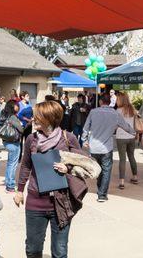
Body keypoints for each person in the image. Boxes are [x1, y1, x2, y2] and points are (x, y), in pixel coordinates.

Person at [15, 100, 88, 258]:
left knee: (60, 251)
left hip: (61, 202)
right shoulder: (31, 140)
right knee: (33, 249)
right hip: (35, 202)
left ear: (50, 118)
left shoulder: (68, 139)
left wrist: (67, 168)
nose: (33, 120)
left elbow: (84, 164)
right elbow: (25, 165)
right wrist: (19, 190)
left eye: (37, 117)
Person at [82, 92, 135, 202]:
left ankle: (100, 189)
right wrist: (134, 132)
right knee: (106, 170)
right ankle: (102, 195)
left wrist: (84, 140)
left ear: (100, 101)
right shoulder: (115, 114)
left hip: (94, 147)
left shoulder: (93, 112)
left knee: (98, 169)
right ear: (109, 102)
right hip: (106, 147)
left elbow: (85, 128)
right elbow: (125, 126)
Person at [115, 92, 139, 189]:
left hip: (121, 137)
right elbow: (134, 123)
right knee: (131, 157)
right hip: (131, 136)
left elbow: (115, 124)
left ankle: (122, 182)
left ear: (120, 100)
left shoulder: (118, 111)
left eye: (117, 99)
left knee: (122, 159)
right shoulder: (132, 109)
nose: (116, 100)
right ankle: (135, 177)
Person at [0, 100, 23, 192]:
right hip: (13, 142)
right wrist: (24, 125)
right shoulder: (13, 117)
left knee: (10, 163)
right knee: (13, 164)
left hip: (6, 141)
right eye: (16, 105)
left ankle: (8, 181)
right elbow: (21, 129)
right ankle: (10, 185)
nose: (18, 107)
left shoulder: (4, 114)